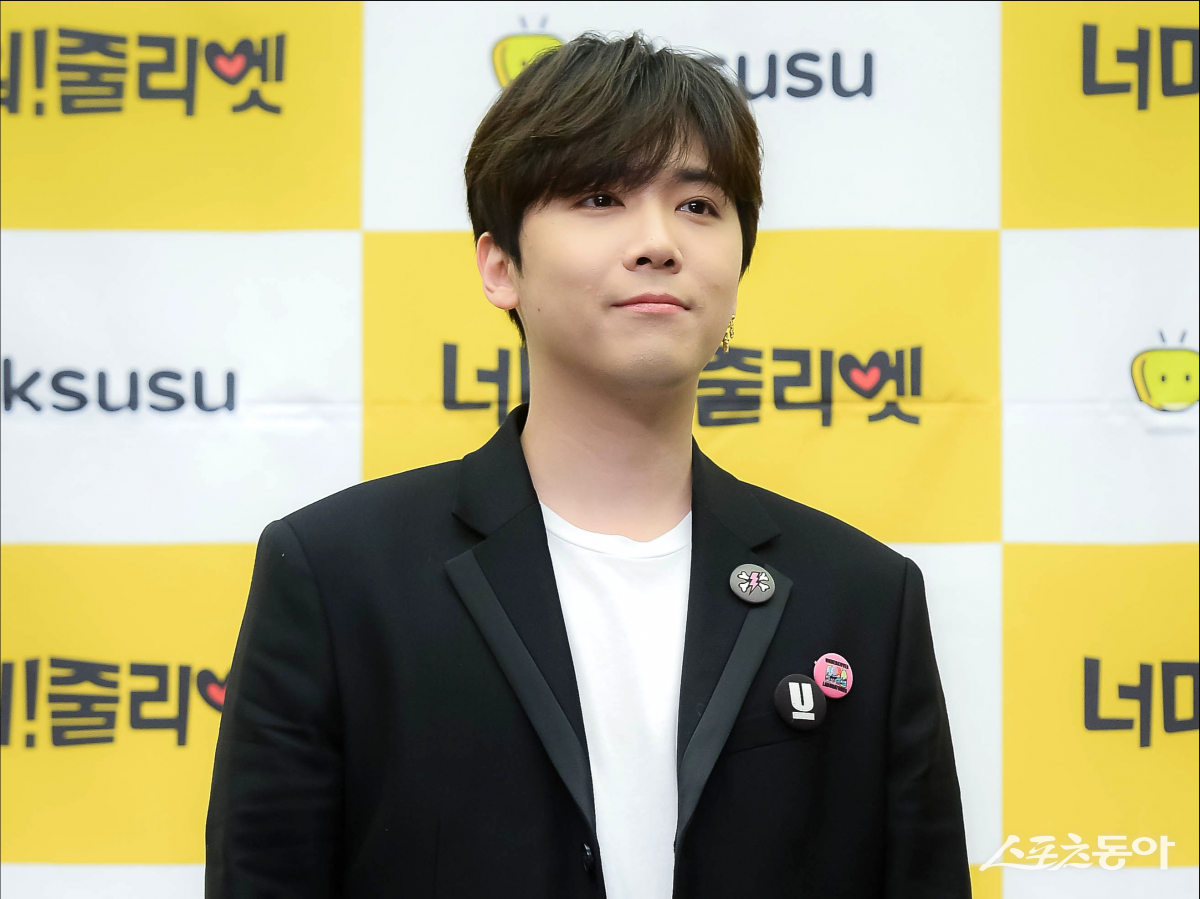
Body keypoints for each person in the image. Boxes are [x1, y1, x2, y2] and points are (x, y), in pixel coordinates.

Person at [205, 32, 970, 899]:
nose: (659, 243)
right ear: (501, 266)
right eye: (601, 197)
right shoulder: (339, 576)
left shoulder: (862, 596)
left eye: (699, 205)